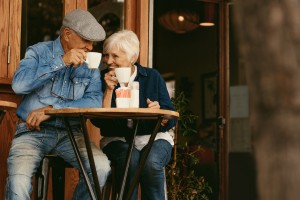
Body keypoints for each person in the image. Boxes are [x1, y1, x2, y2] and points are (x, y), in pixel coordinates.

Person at [6, 9, 110, 200]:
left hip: (72, 134)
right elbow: (19, 85)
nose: (90, 46)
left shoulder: (91, 63)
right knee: (18, 183)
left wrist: (53, 110)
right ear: (67, 34)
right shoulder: (38, 52)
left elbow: (95, 100)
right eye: (86, 40)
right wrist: (61, 61)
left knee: (101, 168)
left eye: (92, 42)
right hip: (32, 132)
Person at [91, 30, 178, 200]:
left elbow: (170, 116)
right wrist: (108, 91)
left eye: (115, 56)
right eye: (106, 55)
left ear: (132, 57)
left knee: (151, 162)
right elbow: (98, 121)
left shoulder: (152, 76)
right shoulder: (101, 79)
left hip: (153, 138)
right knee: (130, 159)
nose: (109, 61)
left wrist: (158, 113)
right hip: (117, 140)